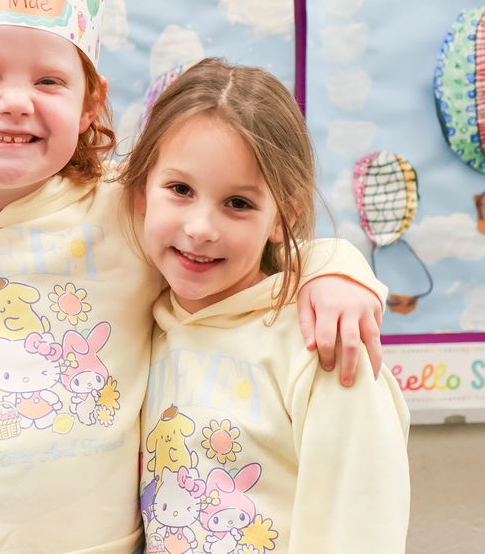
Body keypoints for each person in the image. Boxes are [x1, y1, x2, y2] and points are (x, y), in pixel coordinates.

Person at [0, 0, 387, 553]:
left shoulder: (130, 206)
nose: (16, 100)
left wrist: (336, 267)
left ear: (90, 105)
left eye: (49, 80)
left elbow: (241, 220)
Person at [128, 59, 409, 553]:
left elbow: (361, 525)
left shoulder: (323, 341)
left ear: (284, 217)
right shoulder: (142, 324)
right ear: (140, 192)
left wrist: (339, 265)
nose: (200, 228)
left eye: (238, 203)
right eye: (180, 189)